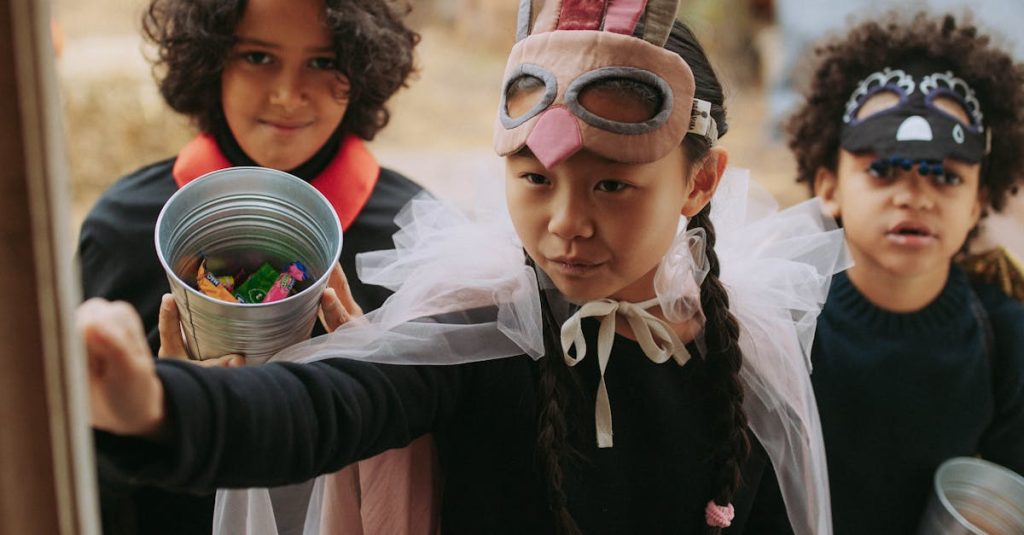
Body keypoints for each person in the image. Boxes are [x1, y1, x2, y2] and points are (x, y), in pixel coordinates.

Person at [80, 1, 847, 533]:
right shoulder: (474, 324)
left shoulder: (741, 350)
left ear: (701, 181)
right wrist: (156, 404)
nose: (566, 223)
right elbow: (323, 404)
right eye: (536, 178)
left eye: (613, 183)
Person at [75, 0, 432, 533]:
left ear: (362, 66)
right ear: (209, 57)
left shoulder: (412, 238)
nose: (287, 95)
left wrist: (377, 384)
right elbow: (73, 459)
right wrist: (165, 415)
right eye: (258, 56)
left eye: (323, 61)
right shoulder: (122, 230)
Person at [785, 12, 1024, 535]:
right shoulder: (785, 323)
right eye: (883, 170)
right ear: (828, 186)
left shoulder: (1006, 336)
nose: (914, 196)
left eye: (945, 176)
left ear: (979, 200)